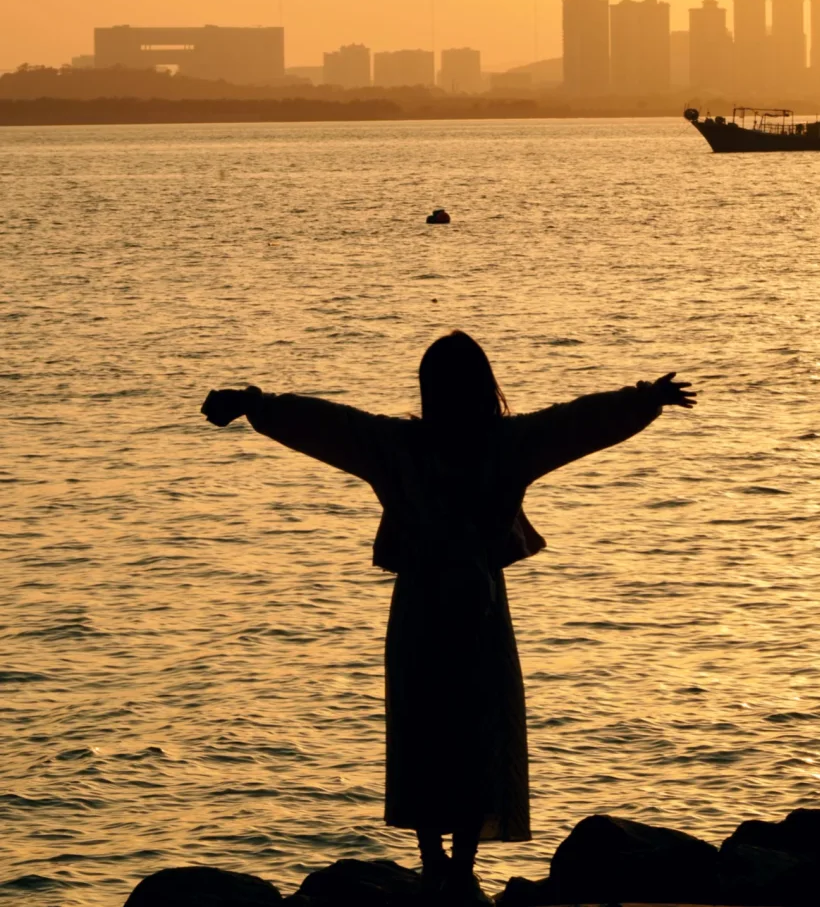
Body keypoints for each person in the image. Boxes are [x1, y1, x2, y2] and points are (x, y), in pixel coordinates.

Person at [201, 332, 695, 901]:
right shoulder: (507, 444)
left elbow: (329, 424)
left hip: (420, 608)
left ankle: (434, 859)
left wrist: (253, 404)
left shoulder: (399, 446)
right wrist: (643, 400)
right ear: (486, 386)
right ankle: (460, 864)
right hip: (478, 608)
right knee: (476, 730)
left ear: (428, 389)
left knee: (424, 730)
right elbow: (577, 423)